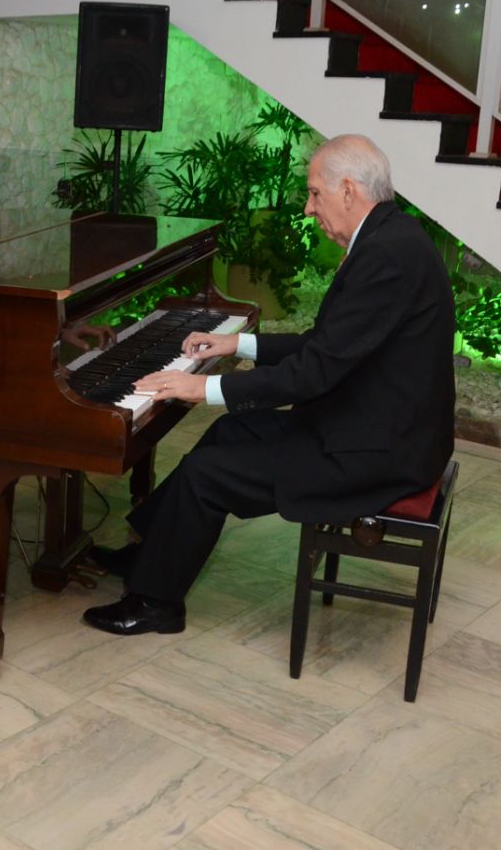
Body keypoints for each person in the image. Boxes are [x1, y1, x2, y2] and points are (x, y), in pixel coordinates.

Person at [82, 133, 456, 635]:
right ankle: (151, 556)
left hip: (379, 453)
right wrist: (237, 345)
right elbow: (330, 344)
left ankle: (156, 604)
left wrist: (202, 390)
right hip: (377, 427)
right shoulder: (391, 237)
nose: (308, 208)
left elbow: (315, 372)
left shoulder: (385, 255)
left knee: (207, 474)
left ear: (348, 190)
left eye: (314, 193)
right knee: (228, 433)